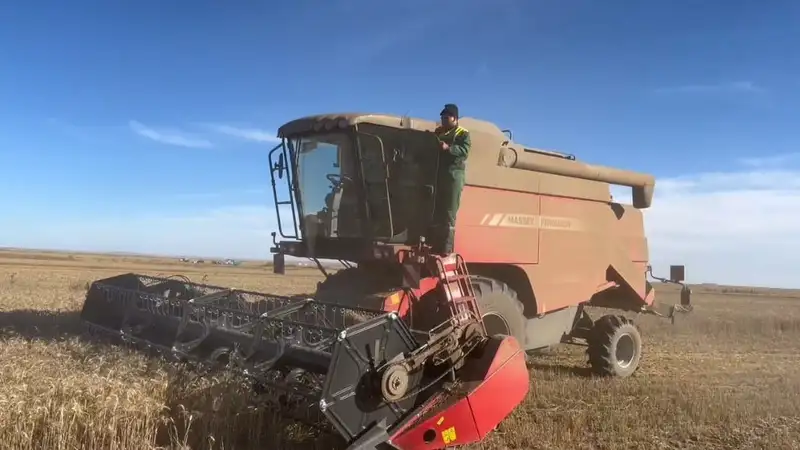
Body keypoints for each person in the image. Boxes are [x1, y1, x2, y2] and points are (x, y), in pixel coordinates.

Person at [431, 103, 471, 255]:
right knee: (437, 210)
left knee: (449, 212)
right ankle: (434, 244)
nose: (443, 120)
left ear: (455, 118)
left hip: (454, 175)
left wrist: (449, 148)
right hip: (438, 174)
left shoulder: (462, 133)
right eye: (442, 117)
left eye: (446, 117)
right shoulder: (438, 132)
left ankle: (446, 248)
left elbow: (465, 151)